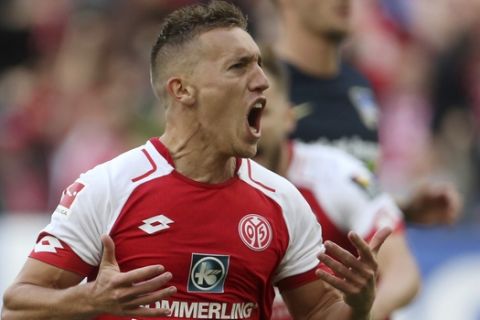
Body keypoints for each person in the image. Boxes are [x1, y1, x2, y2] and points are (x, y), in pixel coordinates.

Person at [1, 2, 391, 320]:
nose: (262, 81)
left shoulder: (283, 202)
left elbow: (320, 312)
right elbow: (18, 304)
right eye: (239, 66)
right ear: (182, 89)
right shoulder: (108, 188)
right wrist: (90, 300)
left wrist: (358, 305)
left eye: (258, 64)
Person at [254, 46, 420, 320]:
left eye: (264, 111)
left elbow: (403, 272)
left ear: (288, 117)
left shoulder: (337, 174)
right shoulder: (208, 186)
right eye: (245, 112)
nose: (255, 126)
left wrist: (363, 312)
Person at [271, 0, 461, 225]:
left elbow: (349, 191)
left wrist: (403, 208)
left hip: (355, 258)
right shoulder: (261, 85)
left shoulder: (358, 86)